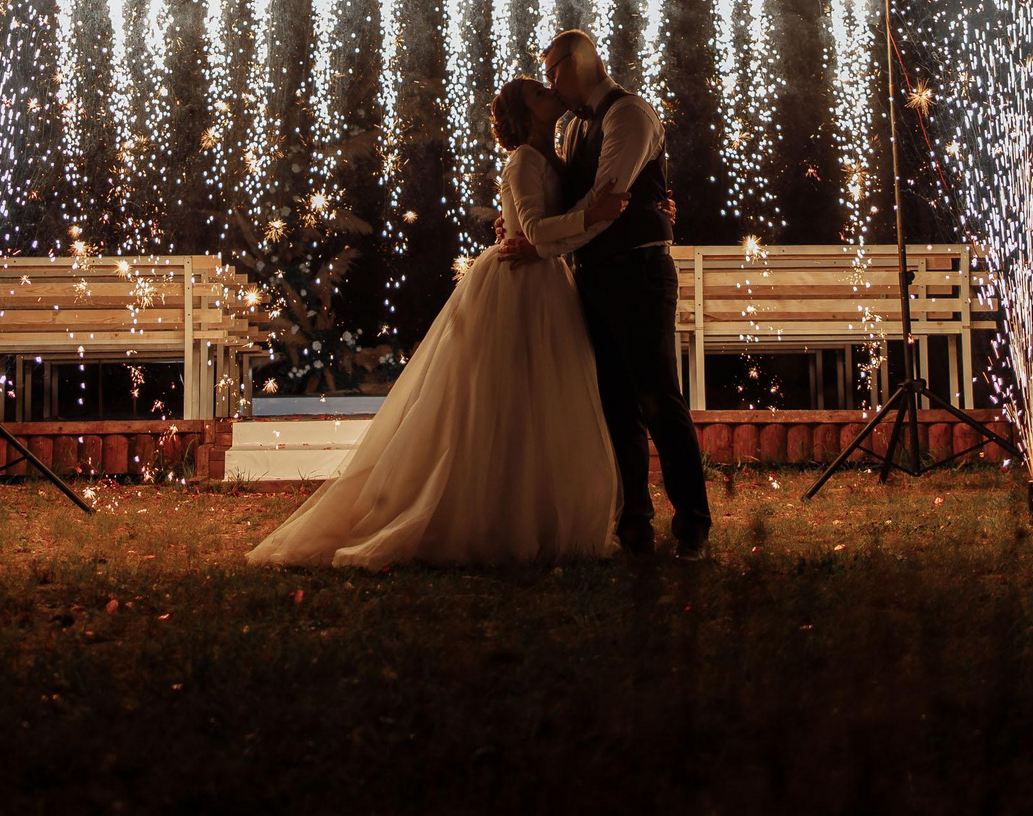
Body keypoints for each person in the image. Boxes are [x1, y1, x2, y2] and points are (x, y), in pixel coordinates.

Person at [248, 77, 624, 567]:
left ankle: (531, 513)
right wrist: (591, 215)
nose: (551, 92)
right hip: (518, 282)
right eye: (538, 93)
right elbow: (532, 229)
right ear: (524, 114)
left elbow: (540, 217)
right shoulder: (524, 160)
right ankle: (490, 514)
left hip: (545, 280)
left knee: (540, 395)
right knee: (500, 396)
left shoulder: (552, 156)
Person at [496, 28, 711, 560]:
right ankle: (634, 522)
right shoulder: (572, 130)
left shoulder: (628, 114)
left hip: (638, 272)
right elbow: (562, 201)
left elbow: (604, 203)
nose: (550, 84)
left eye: (552, 72)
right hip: (591, 277)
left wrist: (541, 245)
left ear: (579, 61)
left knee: (657, 398)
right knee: (615, 404)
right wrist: (519, 227)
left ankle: (692, 525)